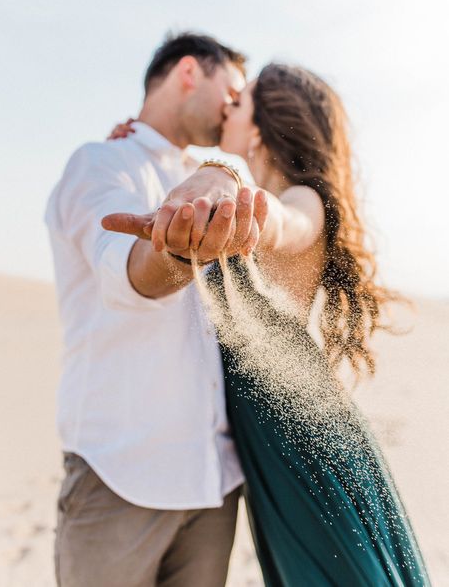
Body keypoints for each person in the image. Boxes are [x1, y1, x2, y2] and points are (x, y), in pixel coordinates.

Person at [106, 64, 430, 585]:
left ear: (255, 130)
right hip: (271, 452)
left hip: (309, 452)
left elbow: (280, 222)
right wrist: (139, 141)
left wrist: (225, 178)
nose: (225, 110)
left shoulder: (303, 202)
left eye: (239, 104)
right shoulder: (217, 196)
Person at [45, 32, 269, 587]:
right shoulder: (101, 162)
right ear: (190, 73)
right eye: (232, 90)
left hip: (214, 489)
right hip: (120, 480)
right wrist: (174, 250)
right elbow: (126, 268)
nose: (235, 108)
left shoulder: (222, 176)